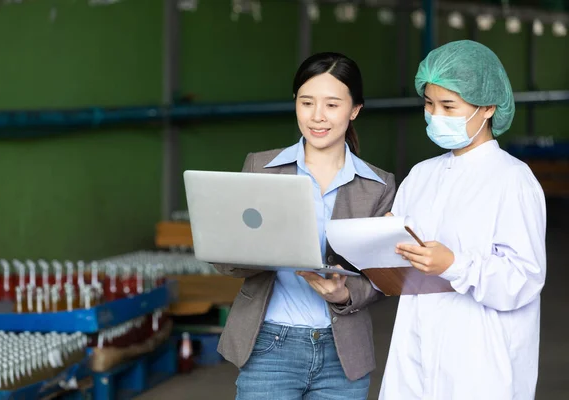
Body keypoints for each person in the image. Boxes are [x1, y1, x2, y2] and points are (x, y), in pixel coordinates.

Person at [213, 52, 396, 400]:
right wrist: (258, 251)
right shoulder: (261, 167)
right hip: (269, 345)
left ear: (355, 109)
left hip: (343, 355)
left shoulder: (379, 186)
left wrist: (344, 294)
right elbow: (226, 259)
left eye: (332, 104)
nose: (317, 117)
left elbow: (384, 276)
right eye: (306, 102)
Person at [378, 40, 547, 400]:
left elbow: (524, 278)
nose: (435, 115)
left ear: (487, 108)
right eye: (429, 103)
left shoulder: (512, 179)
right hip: (416, 347)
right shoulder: (421, 175)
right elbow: (399, 267)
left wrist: (455, 264)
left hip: (482, 359)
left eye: (448, 106)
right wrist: (382, 242)